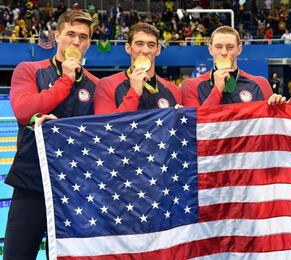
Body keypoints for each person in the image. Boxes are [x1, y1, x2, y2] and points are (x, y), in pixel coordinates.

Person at [4, 10, 98, 259]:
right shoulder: (29, 70)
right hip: (31, 183)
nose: (76, 42)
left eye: (83, 37)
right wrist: (66, 80)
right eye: (70, 34)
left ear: (89, 42)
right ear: (56, 35)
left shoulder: (95, 85)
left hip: (74, 188)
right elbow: (24, 111)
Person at [94, 23, 181, 114]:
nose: (145, 51)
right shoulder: (107, 85)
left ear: (158, 50)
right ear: (128, 48)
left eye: (151, 45)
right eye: (139, 44)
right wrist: (133, 94)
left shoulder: (174, 91)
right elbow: (105, 126)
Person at [181, 25, 272, 107]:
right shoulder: (192, 86)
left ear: (239, 50)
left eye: (230, 47)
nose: (224, 52)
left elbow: (270, 122)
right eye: (218, 47)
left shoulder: (261, 84)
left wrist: (278, 107)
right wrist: (217, 90)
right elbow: (198, 124)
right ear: (210, 49)